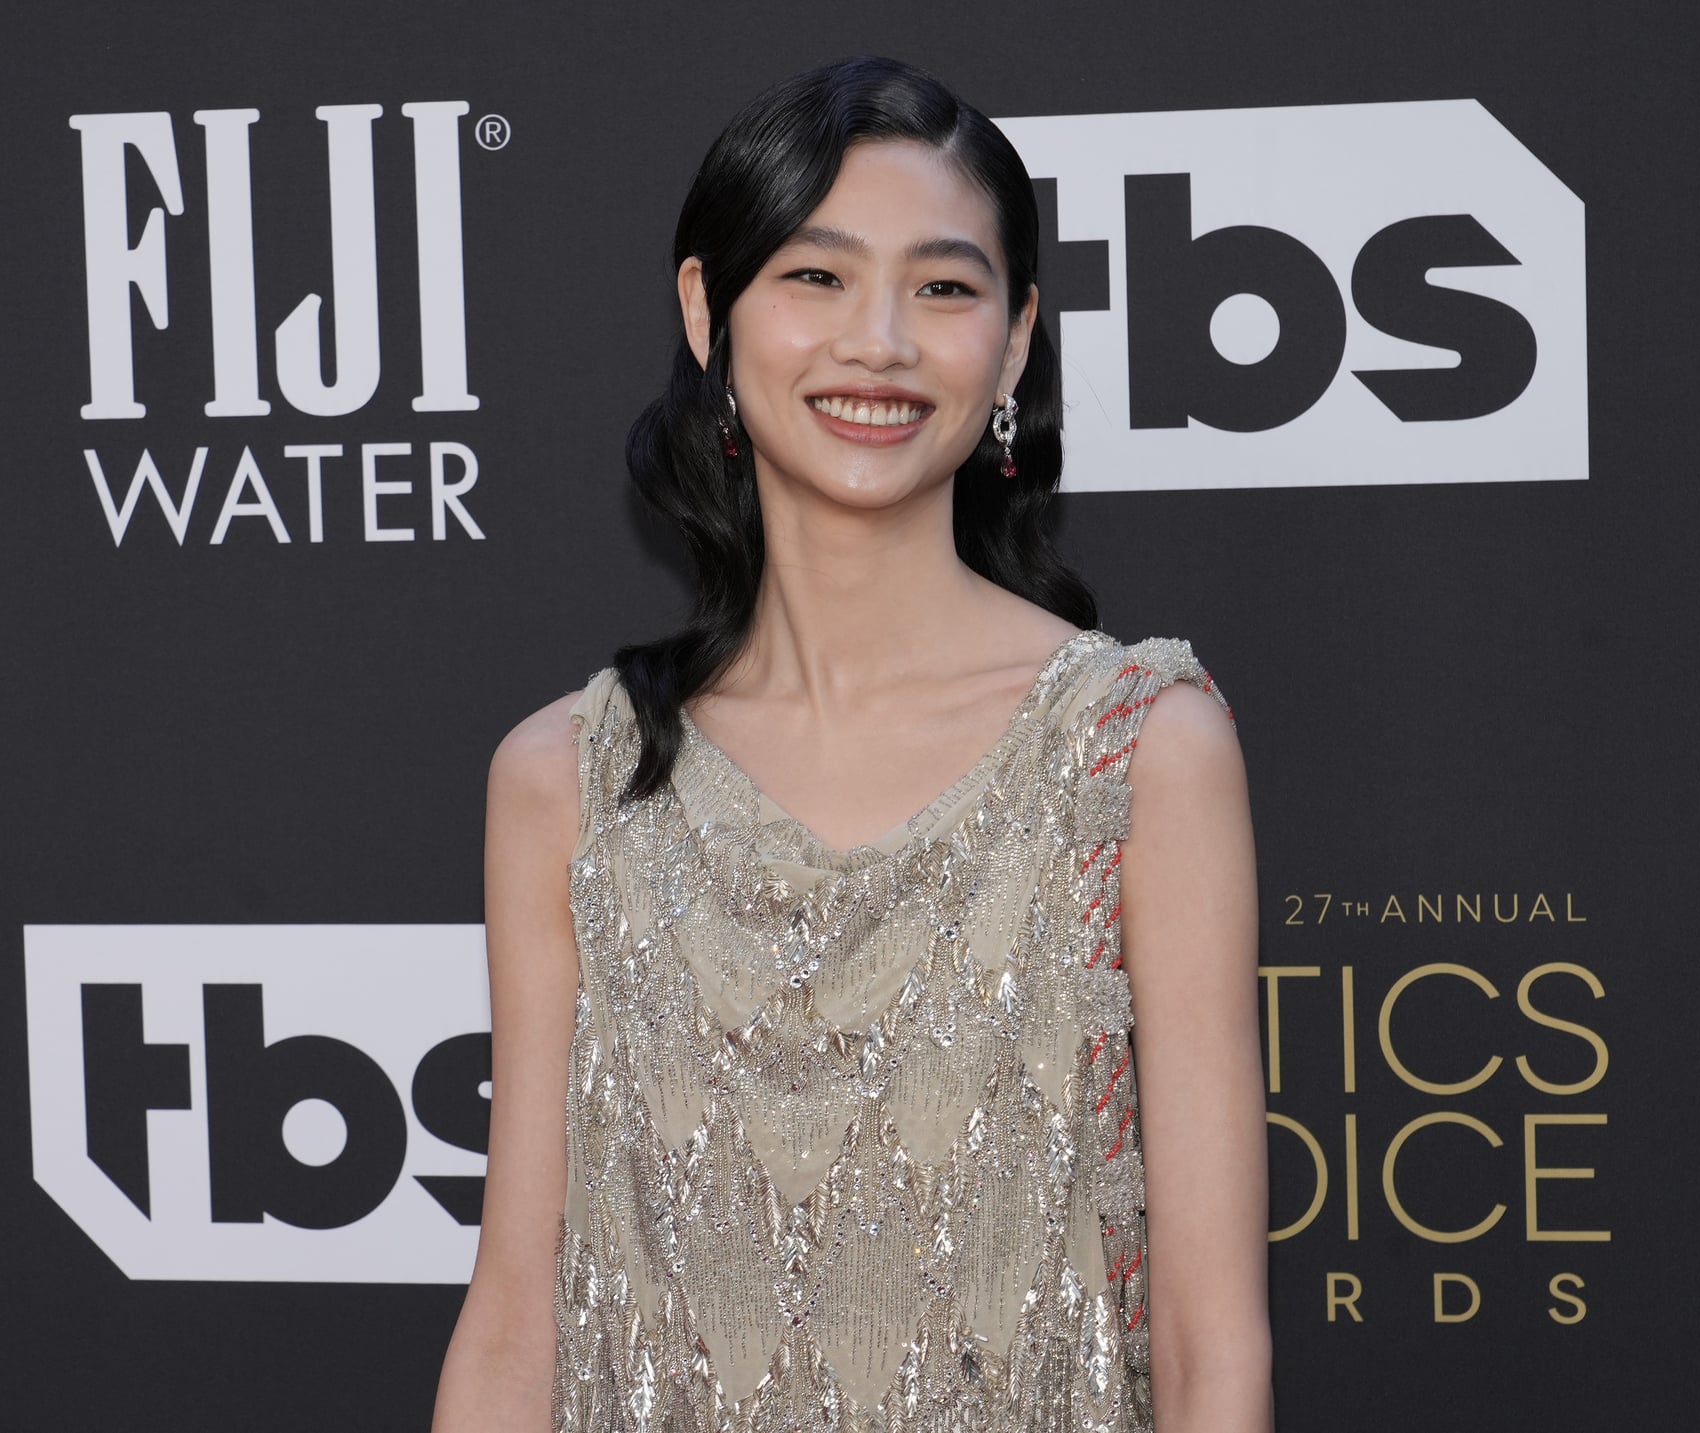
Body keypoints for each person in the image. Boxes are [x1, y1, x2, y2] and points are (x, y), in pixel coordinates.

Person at [433, 55, 1270, 1433]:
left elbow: (1207, 1344)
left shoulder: (1134, 750)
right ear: (709, 311)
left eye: (943, 287)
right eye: (815, 277)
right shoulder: (570, 778)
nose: (878, 340)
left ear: (1011, 345)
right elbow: (521, 1313)